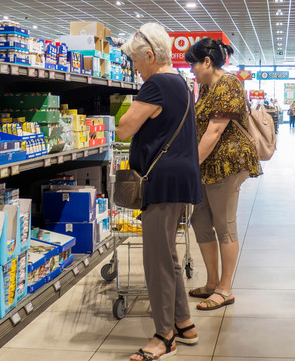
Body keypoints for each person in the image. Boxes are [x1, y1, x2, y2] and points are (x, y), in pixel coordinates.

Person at [116, 23, 203, 361]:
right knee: (167, 255)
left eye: (137, 62)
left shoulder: (156, 84)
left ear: (150, 56)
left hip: (161, 181)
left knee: (156, 261)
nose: (135, 69)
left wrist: (127, 109)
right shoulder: (179, 82)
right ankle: (183, 322)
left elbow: (124, 130)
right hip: (179, 178)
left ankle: (164, 335)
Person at [185, 37, 262, 312]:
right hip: (207, 164)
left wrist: (189, 165)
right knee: (201, 220)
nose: (191, 70)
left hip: (227, 164)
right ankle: (212, 282)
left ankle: (225, 289)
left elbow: (215, 131)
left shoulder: (228, 83)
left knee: (224, 223)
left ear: (207, 62)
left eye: (193, 64)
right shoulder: (206, 87)